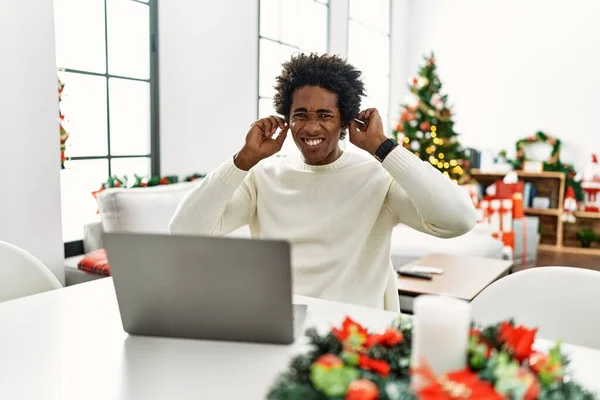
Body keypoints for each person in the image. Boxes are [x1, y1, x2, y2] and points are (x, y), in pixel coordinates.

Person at [169, 53, 476, 312]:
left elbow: (458, 220)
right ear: (287, 120)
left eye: (325, 115)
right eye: (300, 114)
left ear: (344, 121)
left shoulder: (378, 177)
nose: (311, 127)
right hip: (281, 324)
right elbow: (185, 231)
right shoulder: (262, 177)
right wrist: (243, 160)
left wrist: (383, 148)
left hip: (356, 335)